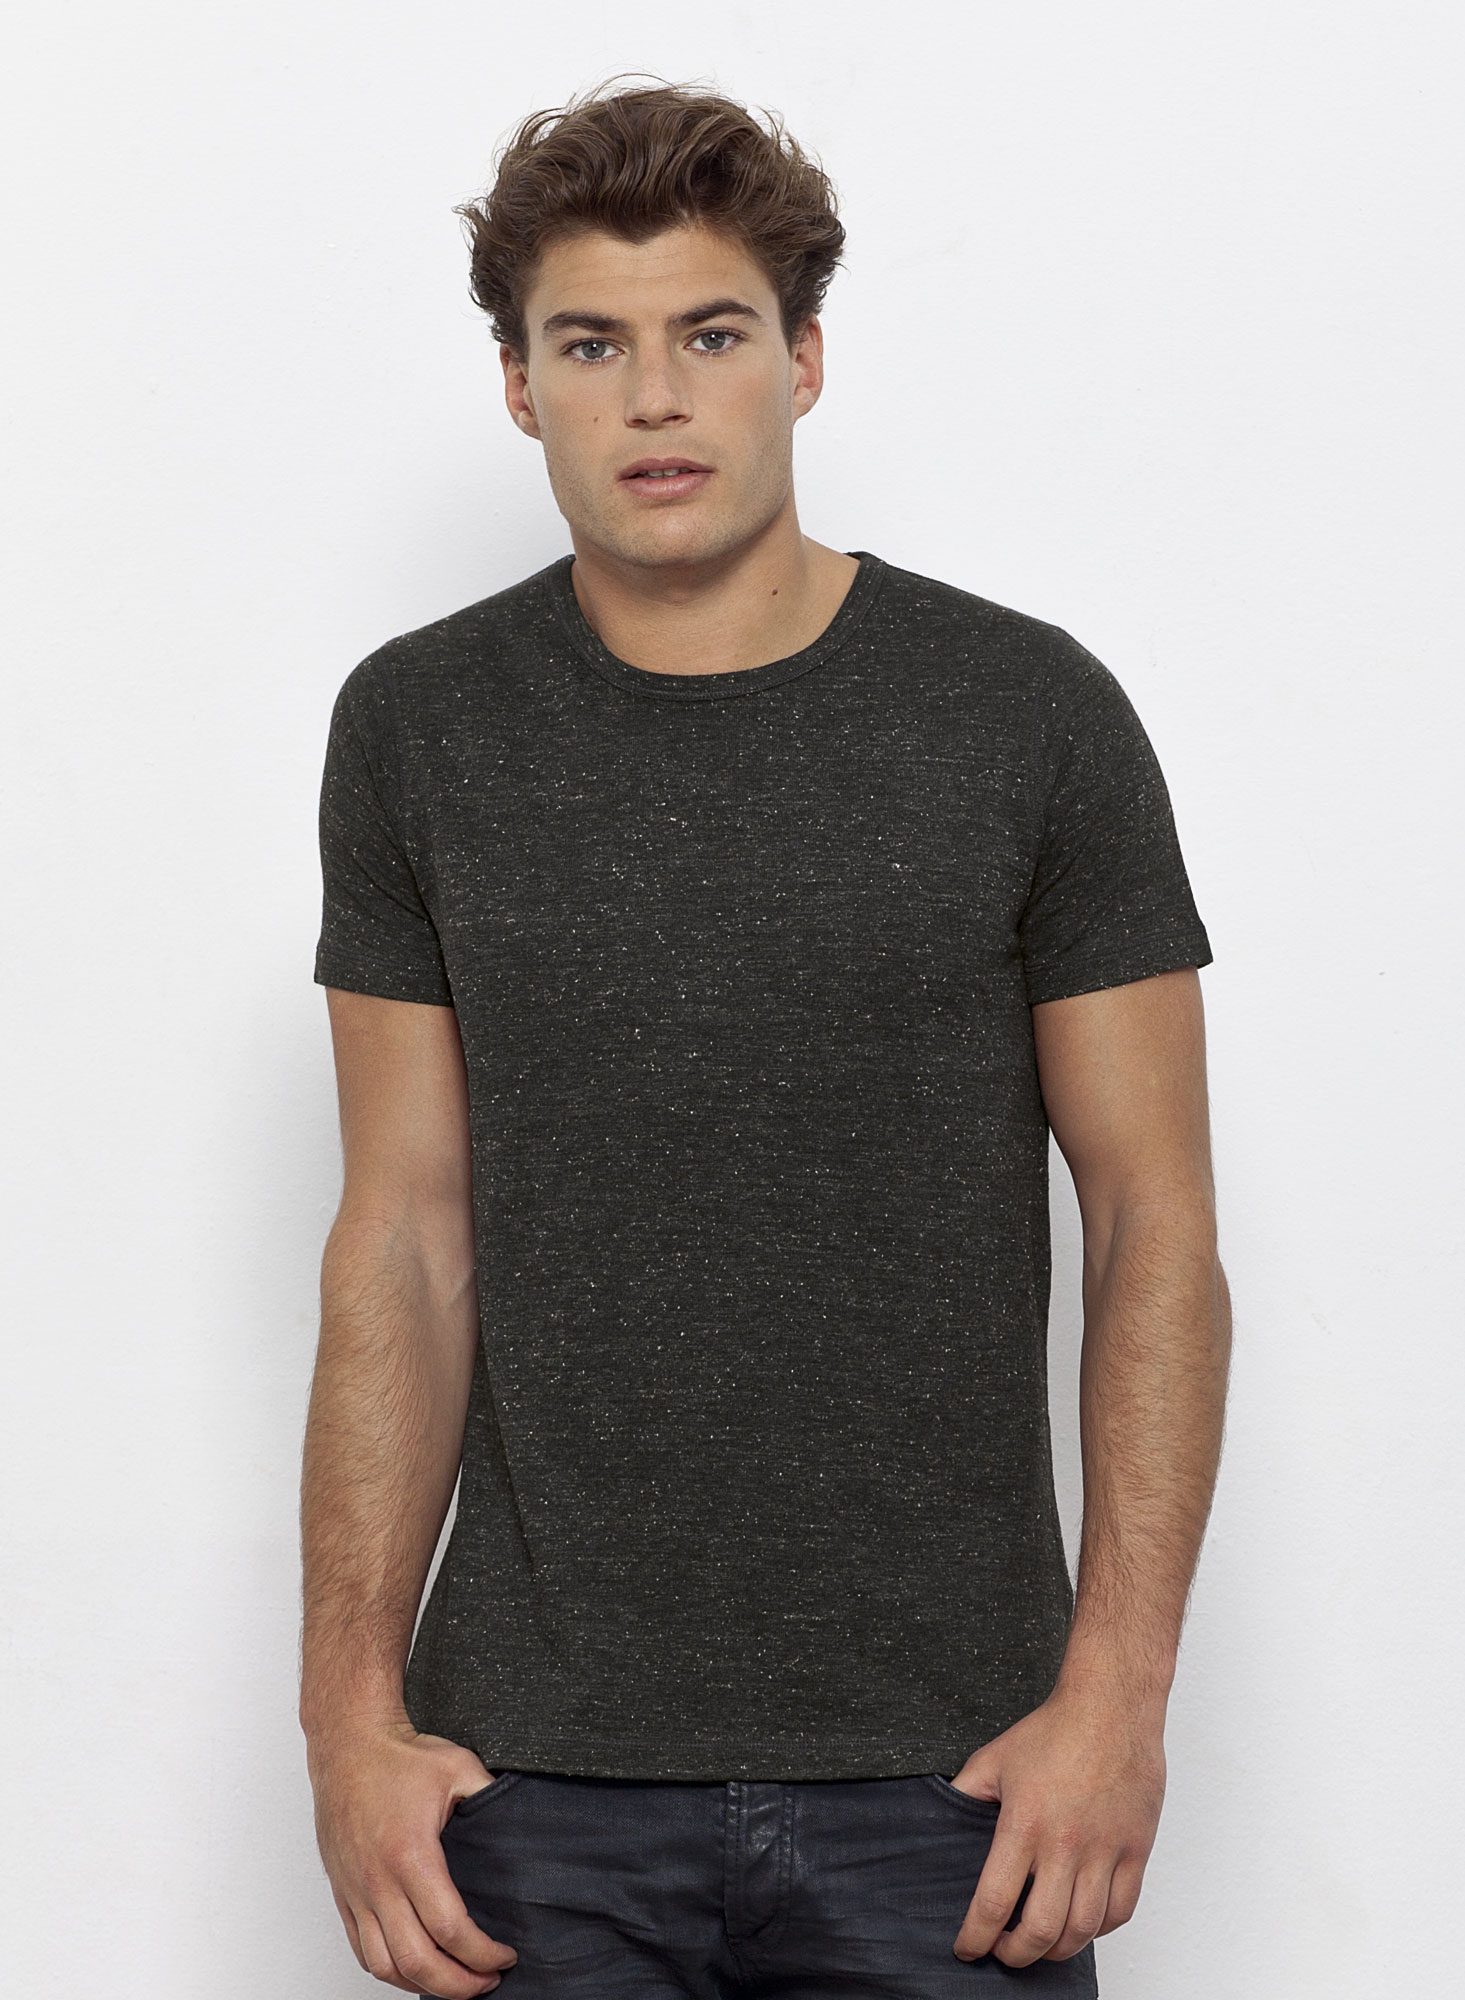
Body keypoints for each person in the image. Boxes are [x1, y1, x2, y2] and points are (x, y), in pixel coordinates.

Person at [299, 79, 1231, 2000]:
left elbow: (1155, 1223)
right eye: (590, 346)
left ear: (803, 360)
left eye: (710, 335)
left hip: (960, 1781)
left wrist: (1119, 1701)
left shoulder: (1026, 714)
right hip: (526, 1784)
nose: (654, 398)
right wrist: (345, 1722)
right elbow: (401, 1235)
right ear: (518, 387)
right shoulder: (418, 725)